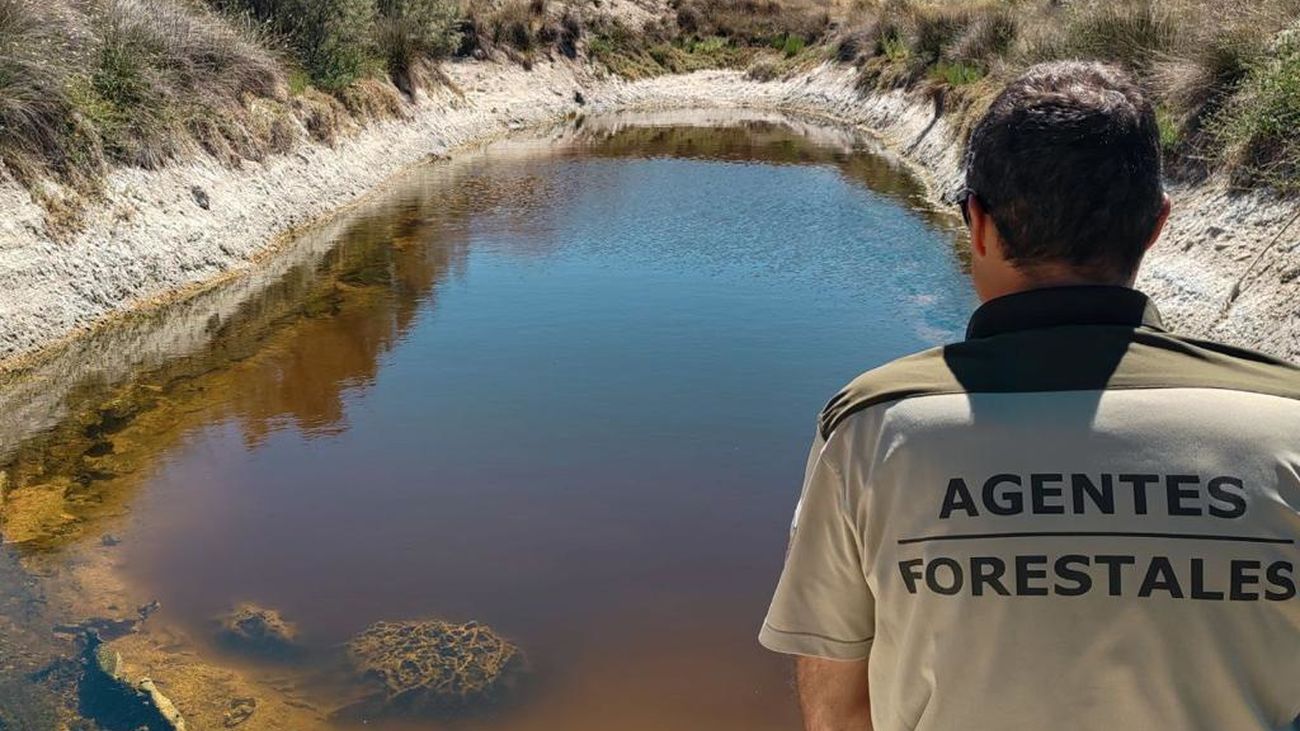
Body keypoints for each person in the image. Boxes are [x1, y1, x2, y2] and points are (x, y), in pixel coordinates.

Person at [758, 60, 1300, 731]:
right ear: (1157, 226)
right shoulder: (1286, 422)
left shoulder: (876, 427)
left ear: (978, 223)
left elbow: (840, 712)